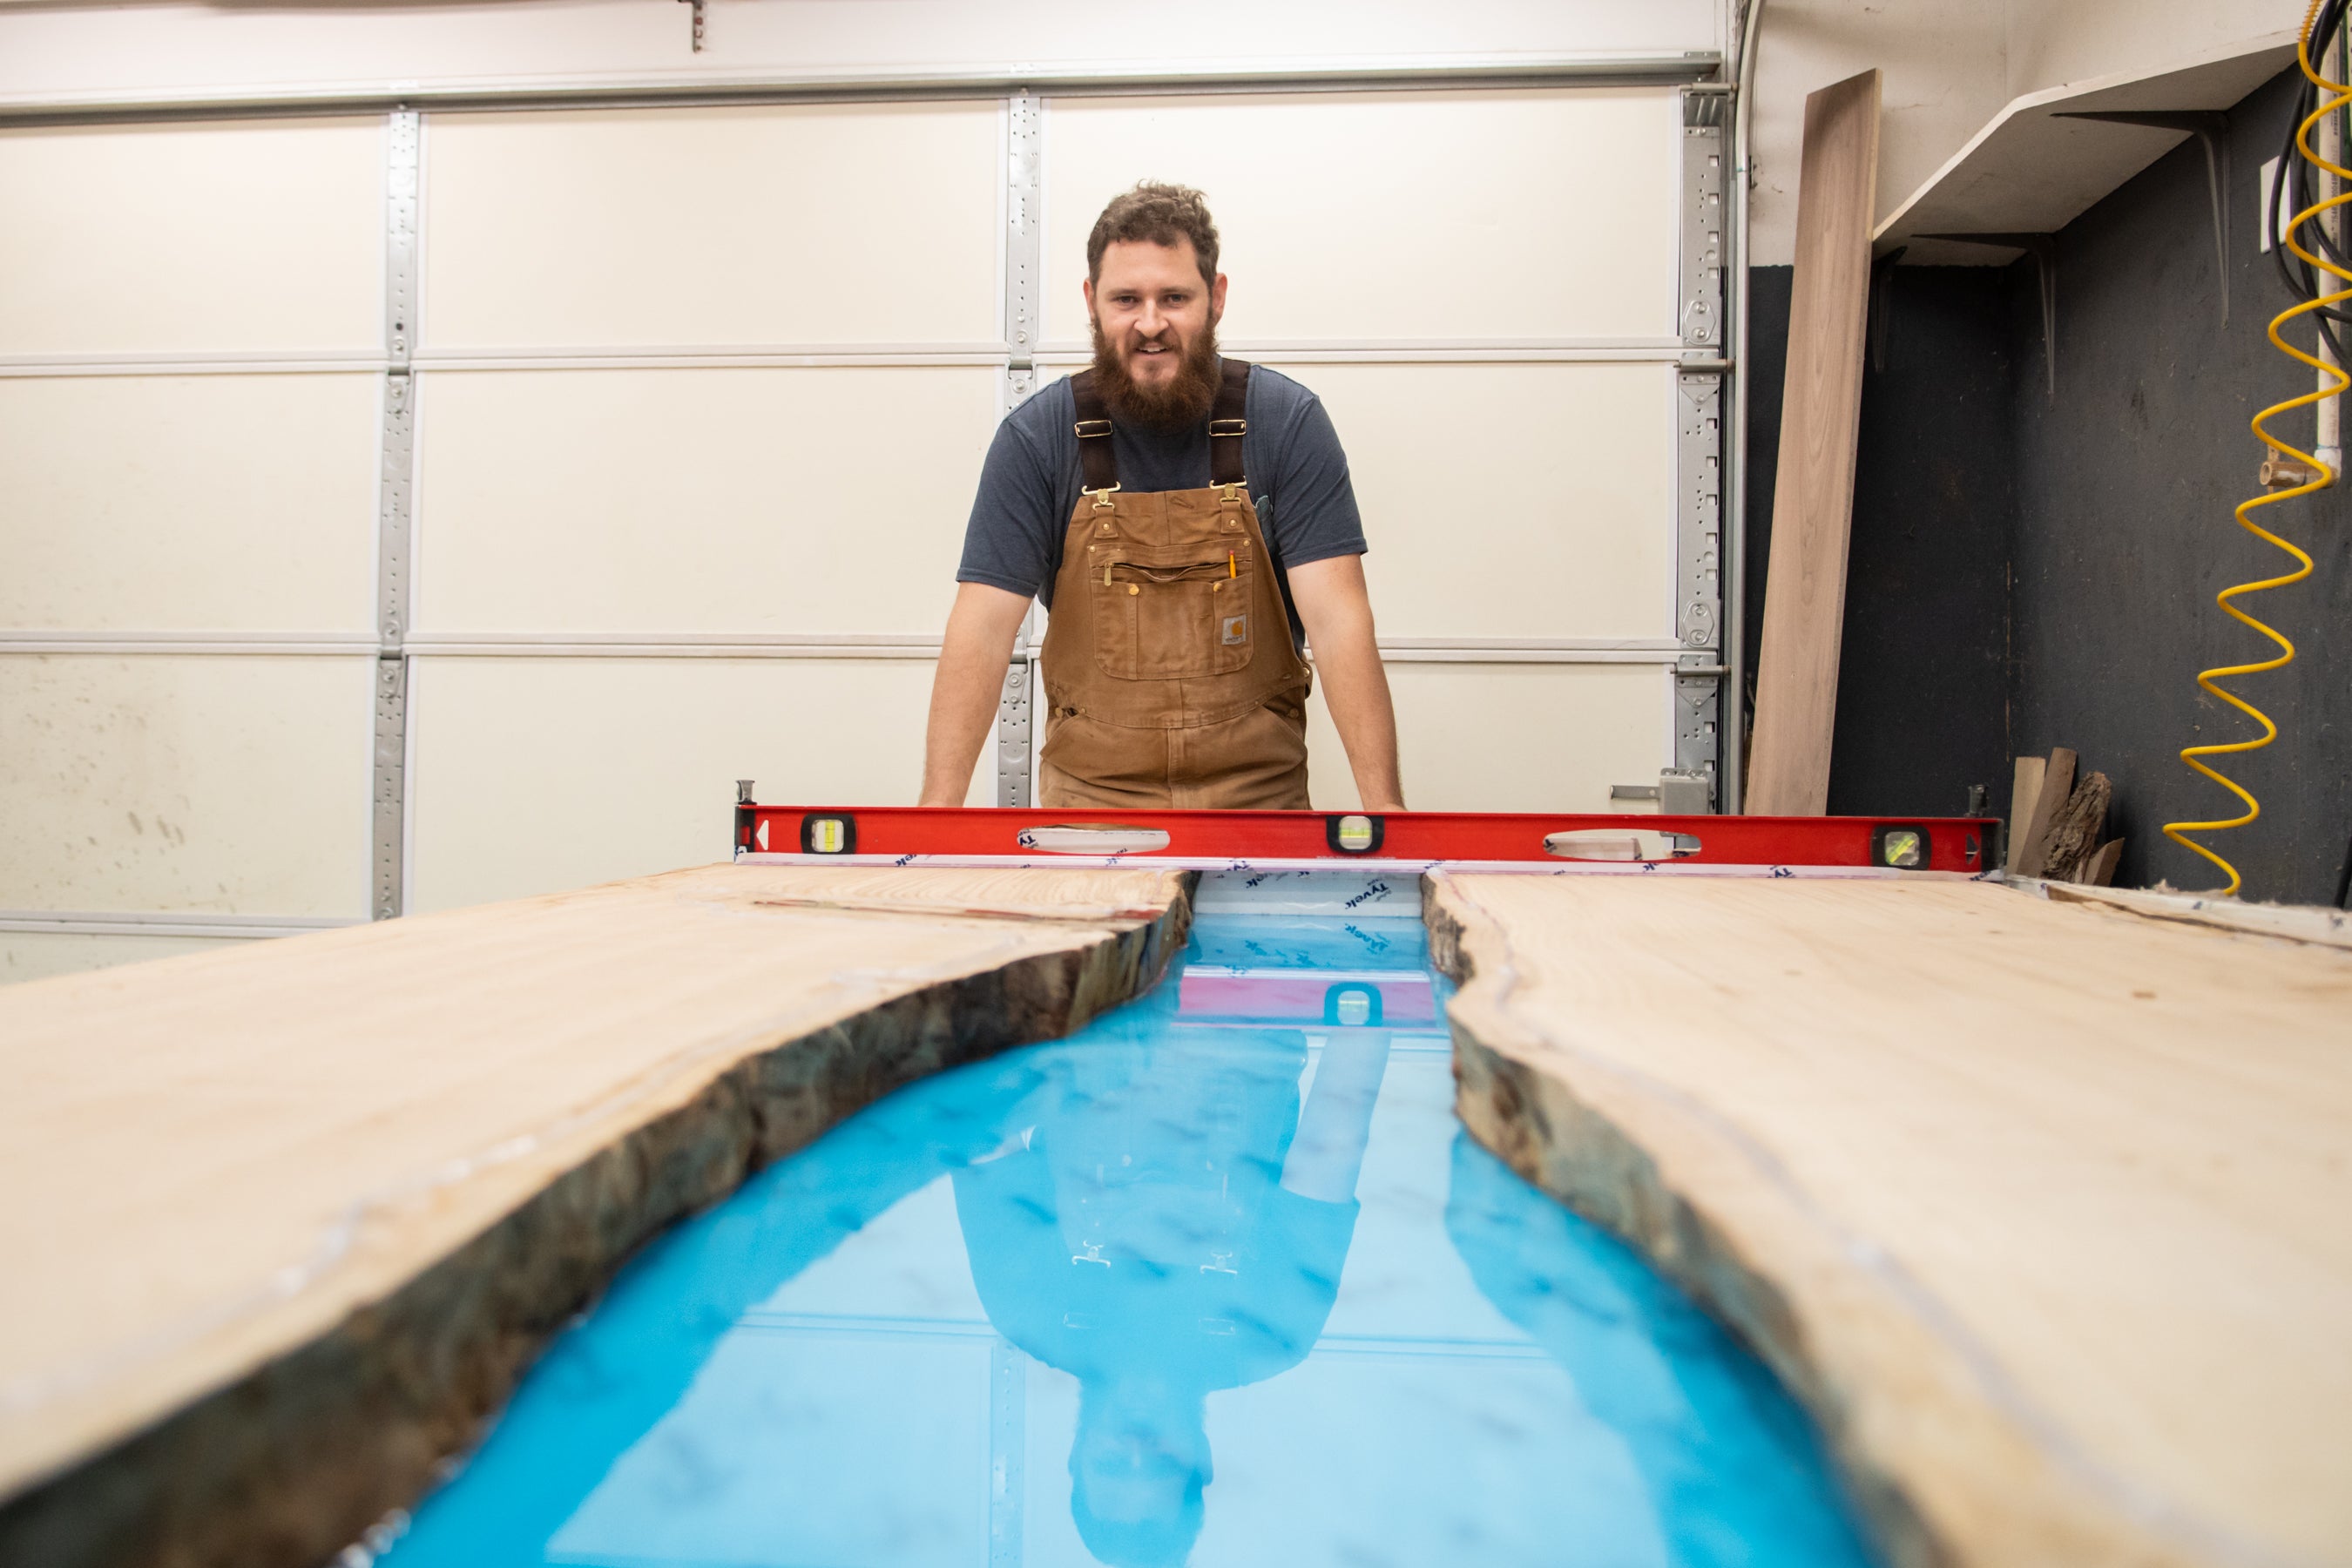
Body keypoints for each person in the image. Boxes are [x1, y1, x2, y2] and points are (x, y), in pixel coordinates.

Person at [921, 181, 1405, 811]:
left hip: (1258, 811)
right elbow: (982, 630)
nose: (1151, 324)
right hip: (1090, 817)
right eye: (1128, 299)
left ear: (1217, 297)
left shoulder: (1286, 423)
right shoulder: (1037, 439)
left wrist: (1387, 813)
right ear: (1092, 302)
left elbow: (1339, 623)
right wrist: (934, 817)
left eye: (1174, 297)